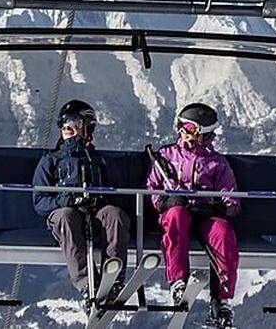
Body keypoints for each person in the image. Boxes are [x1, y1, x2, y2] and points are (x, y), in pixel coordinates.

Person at [146, 102, 239, 328]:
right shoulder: (166, 157)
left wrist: (219, 207)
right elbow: (152, 188)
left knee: (223, 232)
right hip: (178, 212)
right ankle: (178, 280)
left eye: (190, 128)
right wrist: (166, 201)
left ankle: (222, 299)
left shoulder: (217, 163)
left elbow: (232, 198)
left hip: (205, 214)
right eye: (183, 126)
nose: (184, 132)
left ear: (204, 133)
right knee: (176, 216)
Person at [33, 99, 131, 300]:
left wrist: (101, 198)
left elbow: (119, 195)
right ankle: (87, 284)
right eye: (65, 124)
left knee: (114, 215)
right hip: (67, 214)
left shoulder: (99, 161)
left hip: (96, 213)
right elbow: (40, 201)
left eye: (75, 123)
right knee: (66, 217)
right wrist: (65, 201)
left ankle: (113, 276)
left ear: (87, 128)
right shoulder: (51, 160)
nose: (68, 128)